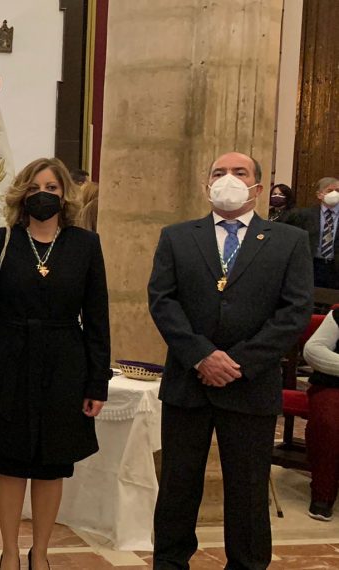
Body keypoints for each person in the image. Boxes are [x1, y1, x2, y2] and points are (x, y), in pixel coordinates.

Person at [148, 152, 313, 569]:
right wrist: (201, 355)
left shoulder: (289, 241)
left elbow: (294, 312)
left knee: (249, 491)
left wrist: (237, 363)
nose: (228, 179)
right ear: (207, 185)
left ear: (258, 187)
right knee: (177, 487)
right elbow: (163, 301)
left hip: (251, 385)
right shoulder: (177, 237)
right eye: (219, 172)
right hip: (189, 382)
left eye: (239, 172)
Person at [0, 157, 110, 570]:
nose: (42, 195)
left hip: (65, 364)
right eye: (34, 188)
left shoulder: (85, 244)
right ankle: (10, 552)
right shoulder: (0, 241)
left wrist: (96, 382)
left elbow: (97, 318)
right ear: (21, 194)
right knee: (9, 462)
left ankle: (41, 553)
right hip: (8, 362)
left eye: (51, 188)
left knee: (52, 465)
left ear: (65, 195)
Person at [302, 309, 339, 521]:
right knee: (328, 421)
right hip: (333, 385)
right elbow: (314, 351)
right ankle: (323, 494)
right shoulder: (337, 315)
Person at [283, 177, 339, 288]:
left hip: (335, 268)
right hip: (312, 266)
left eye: (337, 190)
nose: (335, 194)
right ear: (319, 195)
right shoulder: (305, 215)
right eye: (329, 190)